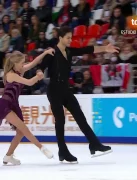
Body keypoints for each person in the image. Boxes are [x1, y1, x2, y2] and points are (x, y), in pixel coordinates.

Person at [36, 26, 119, 163]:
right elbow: (41, 66)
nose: (70, 40)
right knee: (60, 121)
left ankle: (94, 144)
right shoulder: (51, 53)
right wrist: (39, 72)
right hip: (54, 90)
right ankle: (62, 151)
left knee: (80, 117)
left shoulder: (69, 51)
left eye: (71, 38)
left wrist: (104, 48)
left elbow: (87, 49)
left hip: (65, 89)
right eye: (68, 38)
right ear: (60, 38)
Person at [0, 49, 55, 165]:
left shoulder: (19, 70)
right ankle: (42, 148)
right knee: (24, 128)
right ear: (15, 63)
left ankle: (8, 156)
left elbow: (34, 63)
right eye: (22, 62)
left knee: (20, 132)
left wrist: (45, 53)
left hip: (14, 105)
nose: (23, 65)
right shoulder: (11, 75)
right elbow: (29, 82)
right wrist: (38, 76)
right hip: (5, 105)